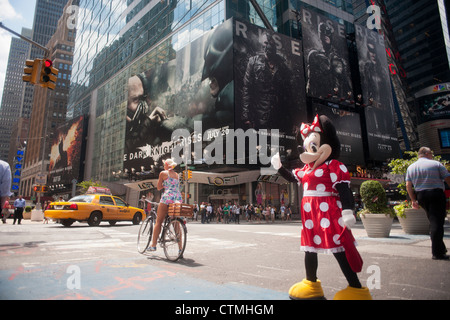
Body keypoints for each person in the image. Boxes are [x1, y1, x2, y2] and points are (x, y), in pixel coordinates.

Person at [406, 147, 450, 260]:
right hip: (436, 194)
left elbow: (408, 186)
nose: (432, 155)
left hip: (421, 195)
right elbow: (447, 178)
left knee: (433, 220)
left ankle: (441, 248)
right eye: (431, 153)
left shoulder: (411, 167)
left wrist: (413, 200)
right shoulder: (436, 164)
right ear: (426, 153)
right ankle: (437, 253)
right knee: (437, 222)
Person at [147, 159, 182, 252]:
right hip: (177, 198)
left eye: (164, 165)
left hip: (167, 197)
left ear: (166, 165)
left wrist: (163, 185)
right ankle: (180, 248)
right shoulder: (177, 175)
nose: (163, 166)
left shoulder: (163, 173)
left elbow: (158, 187)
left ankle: (153, 245)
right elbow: (175, 186)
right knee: (176, 223)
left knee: (159, 221)